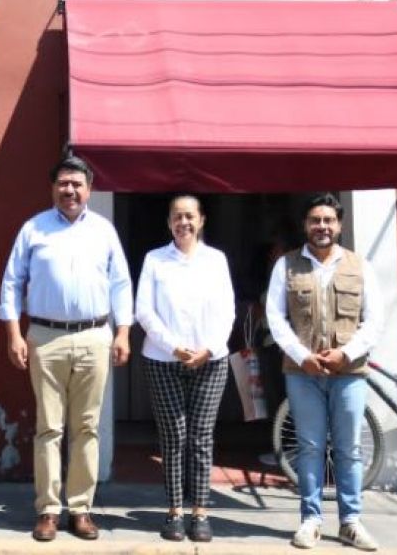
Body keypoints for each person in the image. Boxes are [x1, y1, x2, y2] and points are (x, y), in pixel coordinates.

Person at [0, 155, 133, 542]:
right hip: (45, 337)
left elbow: (121, 284)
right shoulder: (33, 229)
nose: (69, 190)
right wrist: (13, 333)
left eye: (77, 184)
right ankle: (48, 510)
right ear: (53, 188)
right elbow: (11, 283)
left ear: (88, 189)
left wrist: (123, 333)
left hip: (94, 336)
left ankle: (82, 508)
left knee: (87, 427)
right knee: (49, 428)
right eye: (63, 184)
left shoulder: (104, 231)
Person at [266, 194, 384, 551]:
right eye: (315, 220)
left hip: (348, 373)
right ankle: (310, 520)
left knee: (348, 448)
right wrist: (302, 356)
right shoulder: (286, 266)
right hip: (302, 373)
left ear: (339, 225)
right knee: (310, 447)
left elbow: (374, 321)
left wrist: (345, 353)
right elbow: (275, 316)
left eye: (328, 220)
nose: (322, 227)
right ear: (305, 225)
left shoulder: (360, 266)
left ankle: (351, 521)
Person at [134, 195, 235, 543]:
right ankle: (175, 511)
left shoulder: (216, 260)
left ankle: (201, 512)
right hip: (163, 360)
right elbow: (144, 311)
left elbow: (228, 311)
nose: (184, 223)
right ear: (169, 223)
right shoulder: (155, 260)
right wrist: (173, 347)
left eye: (190, 216)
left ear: (202, 220)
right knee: (173, 438)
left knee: (201, 438)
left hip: (211, 360)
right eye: (177, 217)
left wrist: (208, 348)